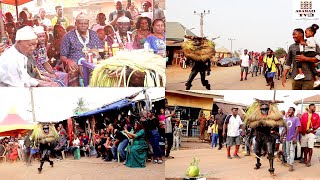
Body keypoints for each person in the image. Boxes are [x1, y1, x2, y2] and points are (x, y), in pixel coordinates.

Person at [60, 12, 103, 86]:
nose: (83, 25)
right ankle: (76, 95)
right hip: (75, 64)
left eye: (85, 23)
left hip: (91, 62)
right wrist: (68, 61)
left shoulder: (94, 34)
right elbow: (62, 55)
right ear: (75, 23)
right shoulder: (68, 36)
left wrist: (95, 51)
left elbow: (100, 49)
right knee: (73, 70)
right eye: (80, 23)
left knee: (101, 70)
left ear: (88, 24)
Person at [282, 107, 300, 171]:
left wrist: (295, 137)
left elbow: (298, 128)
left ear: (293, 111)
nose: (288, 110)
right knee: (287, 152)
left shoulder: (296, 118)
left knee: (292, 151)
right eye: (288, 109)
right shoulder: (287, 119)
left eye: (290, 110)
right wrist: (282, 135)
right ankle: (288, 162)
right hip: (287, 138)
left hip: (293, 138)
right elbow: (285, 129)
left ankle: (291, 165)